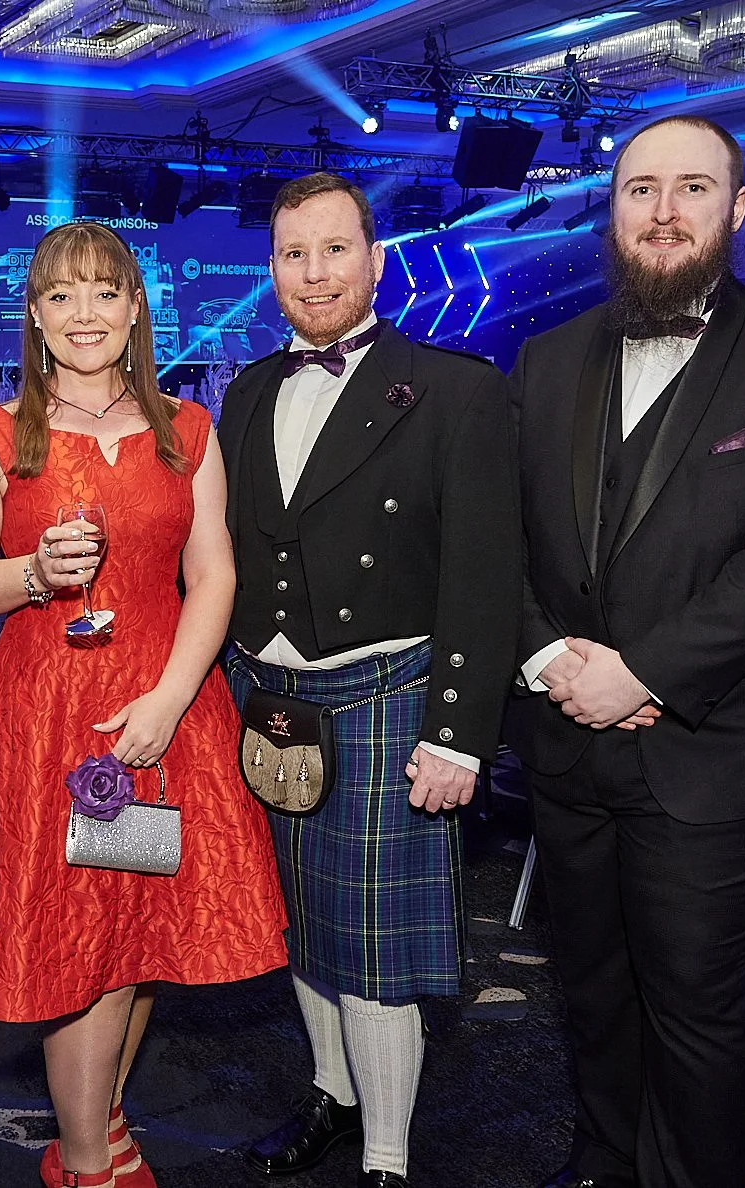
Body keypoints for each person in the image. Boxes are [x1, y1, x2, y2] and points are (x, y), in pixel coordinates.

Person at [507, 116, 745, 1188]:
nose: (664, 212)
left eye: (693, 188)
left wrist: (643, 673)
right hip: (569, 744)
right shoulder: (548, 358)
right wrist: (549, 660)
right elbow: (495, 541)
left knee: (695, 1008)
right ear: (612, 210)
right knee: (590, 985)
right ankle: (603, 1160)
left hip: (720, 754)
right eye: (641, 190)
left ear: (738, 208)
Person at [0, 220, 289, 1188]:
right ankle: (86, 1162)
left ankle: (99, 1122)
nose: (83, 312)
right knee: (78, 939)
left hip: (166, 710)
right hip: (49, 720)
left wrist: (170, 699)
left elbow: (214, 575)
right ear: (35, 316)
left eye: (102, 291)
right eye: (60, 294)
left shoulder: (188, 431)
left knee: (138, 928)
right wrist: (32, 574)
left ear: (135, 308)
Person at [218, 172, 522, 1188]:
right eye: (293, 253)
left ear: (376, 260)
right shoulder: (246, 391)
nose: (315, 273)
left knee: (377, 949)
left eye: (335, 249)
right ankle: (331, 1094)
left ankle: (387, 1159)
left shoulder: (454, 388)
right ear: (272, 269)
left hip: (390, 696)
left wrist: (458, 735)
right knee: (300, 921)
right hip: (267, 698)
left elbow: (485, 571)